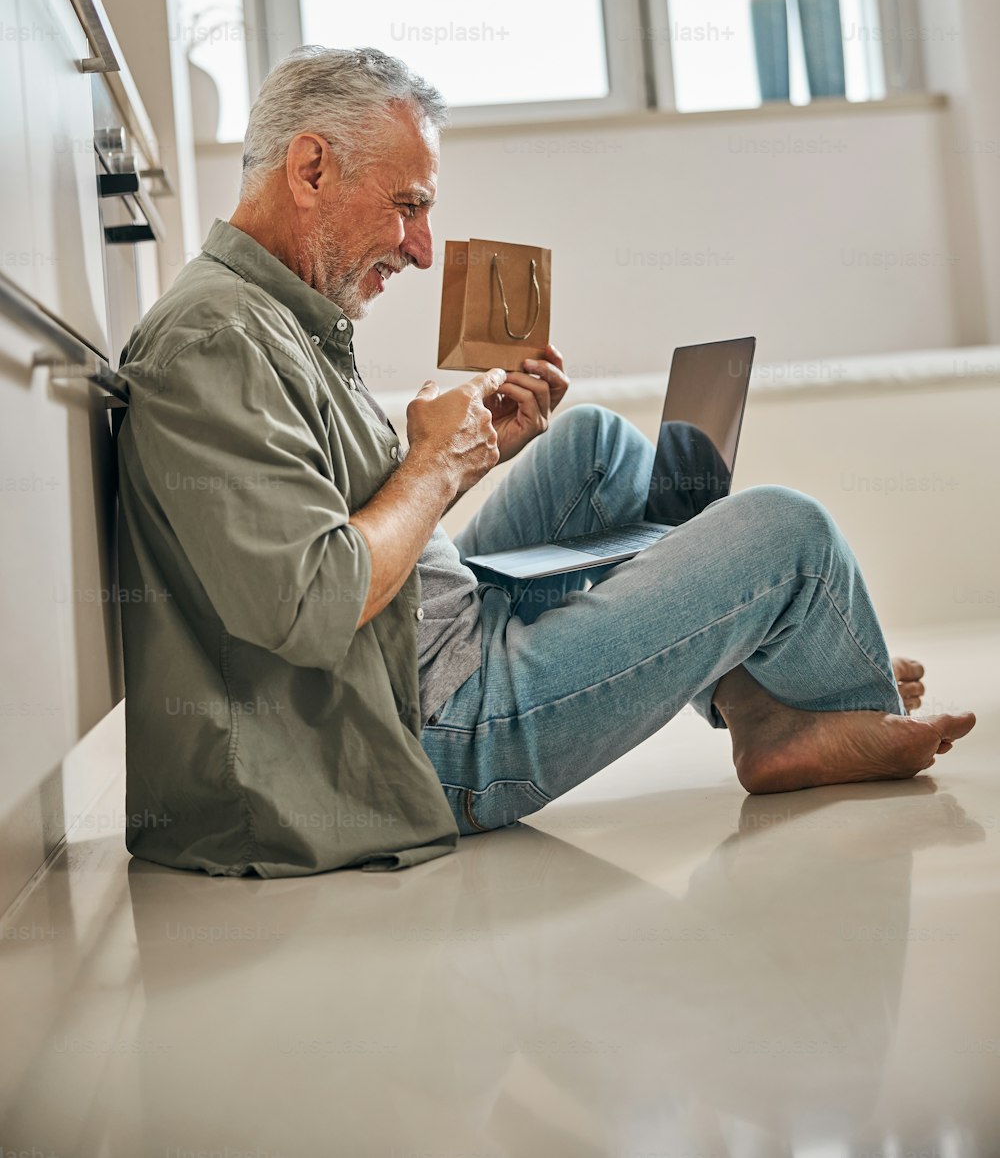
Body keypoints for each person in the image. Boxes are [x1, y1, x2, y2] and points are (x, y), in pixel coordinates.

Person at [115, 45, 975, 878]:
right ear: (310, 170)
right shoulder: (216, 340)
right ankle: (810, 705)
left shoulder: (268, 317)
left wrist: (476, 451)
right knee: (790, 529)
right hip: (423, 728)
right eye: (409, 205)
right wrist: (435, 468)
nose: (421, 248)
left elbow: (343, 529)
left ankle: (750, 694)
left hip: (420, 645)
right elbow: (310, 603)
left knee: (593, 443)